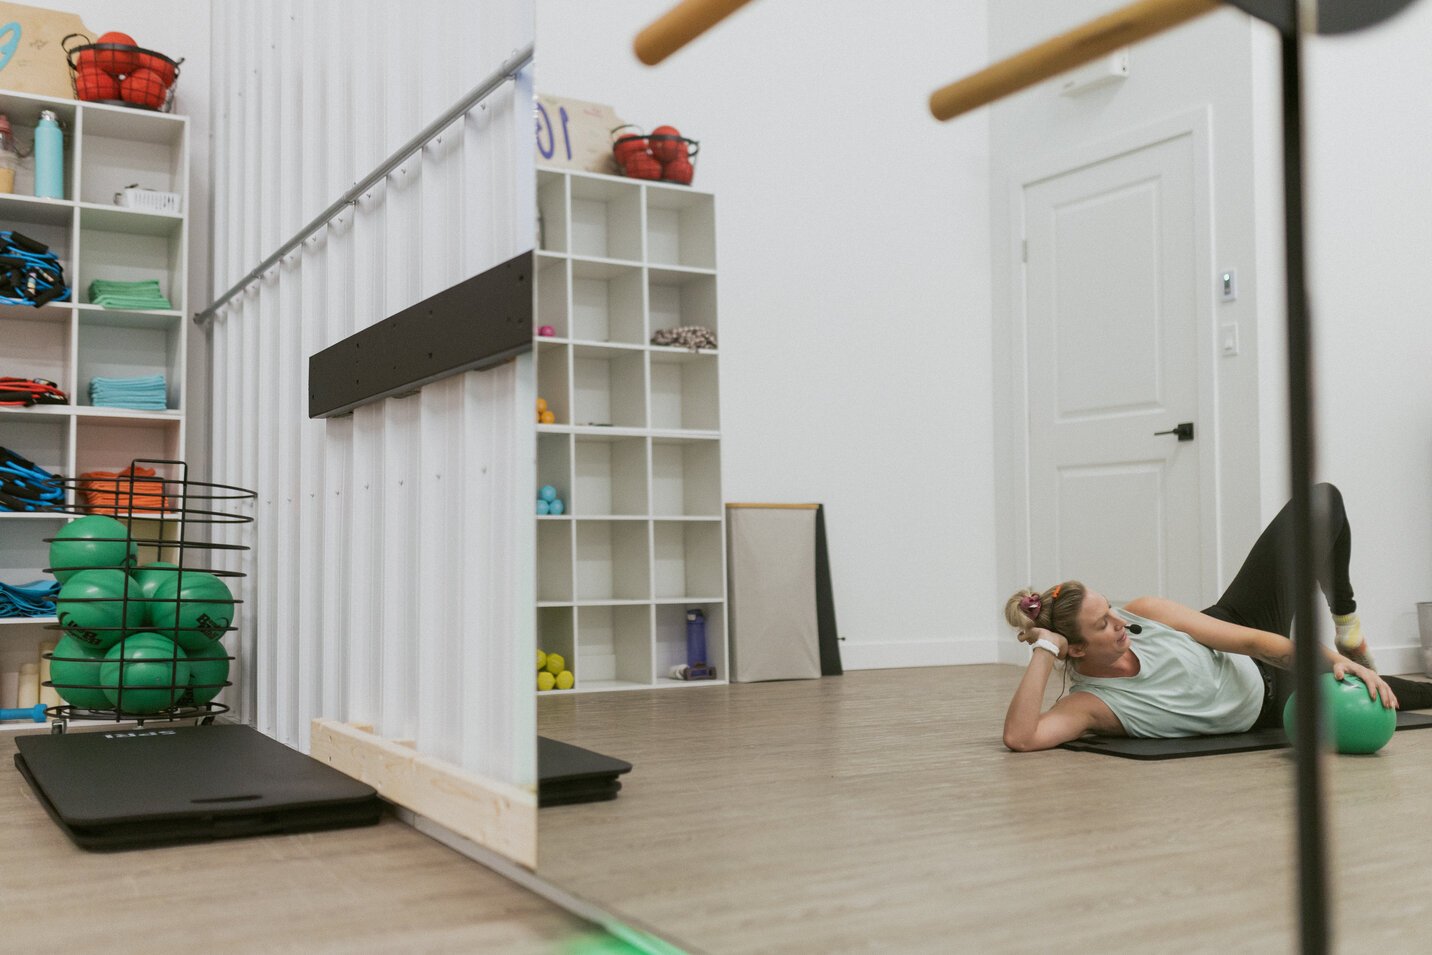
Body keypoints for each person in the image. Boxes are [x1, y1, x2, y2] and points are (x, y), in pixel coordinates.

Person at [1001, 483, 1432, 752]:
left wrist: (1338, 659)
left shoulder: (1144, 612)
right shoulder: (1090, 705)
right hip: (1268, 701)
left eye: (1110, 608)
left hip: (1240, 625)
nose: (1120, 621)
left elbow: (1253, 642)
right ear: (1076, 649)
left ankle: (1347, 623)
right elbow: (1021, 737)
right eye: (1103, 624)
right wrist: (1044, 649)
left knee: (1322, 502)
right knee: (1396, 694)